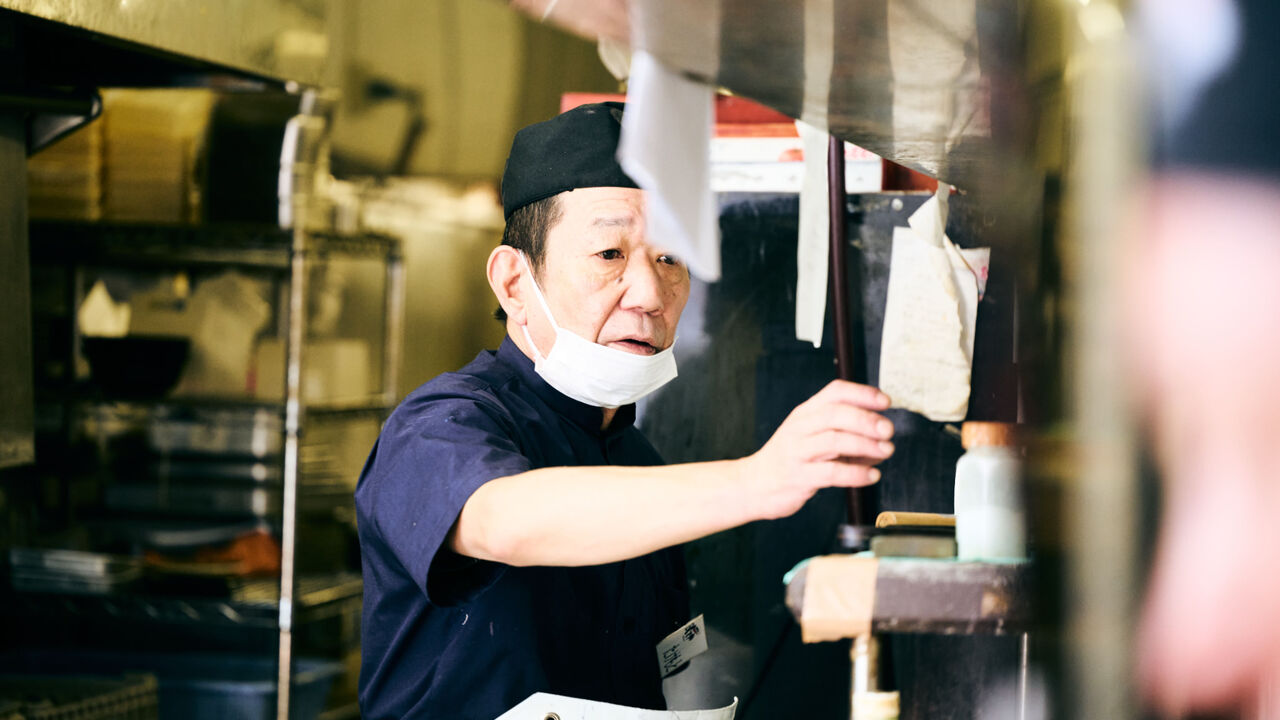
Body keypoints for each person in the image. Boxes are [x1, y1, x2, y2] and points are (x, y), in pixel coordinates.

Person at [354, 102, 896, 719]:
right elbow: (502, 519)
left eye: (669, 258)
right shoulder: (439, 426)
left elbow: (668, 660)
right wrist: (758, 480)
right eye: (609, 254)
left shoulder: (640, 463)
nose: (649, 294)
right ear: (512, 283)